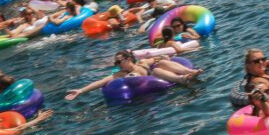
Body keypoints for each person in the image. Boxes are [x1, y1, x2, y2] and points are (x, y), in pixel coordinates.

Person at [65, 49, 202, 100]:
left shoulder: (143, 63)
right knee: (155, 71)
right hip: (156, 88)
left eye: (119, 61)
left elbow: (158, 58)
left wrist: (165, 57)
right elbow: (101, 82)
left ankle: (190, 72)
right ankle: (182, 79)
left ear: (128, 59)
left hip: (164, 76)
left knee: (159, 65)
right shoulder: (122, 74)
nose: (118, 64)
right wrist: (81, 91)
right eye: (116, 63)